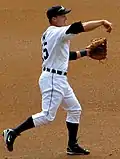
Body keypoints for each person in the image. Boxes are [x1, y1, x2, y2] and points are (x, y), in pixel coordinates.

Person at [3, 5, 112, 155]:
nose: (65, 18)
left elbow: (65, 56)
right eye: (62, 16)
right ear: (53, 19)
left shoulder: (49, 34)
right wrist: (101, 22)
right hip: (53, 79)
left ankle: (72, 146)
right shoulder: (59, 32)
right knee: (47, 116)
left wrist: (86, 53)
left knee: (74, 109)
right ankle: (13, 132)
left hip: (57, 79)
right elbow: (79, 27)